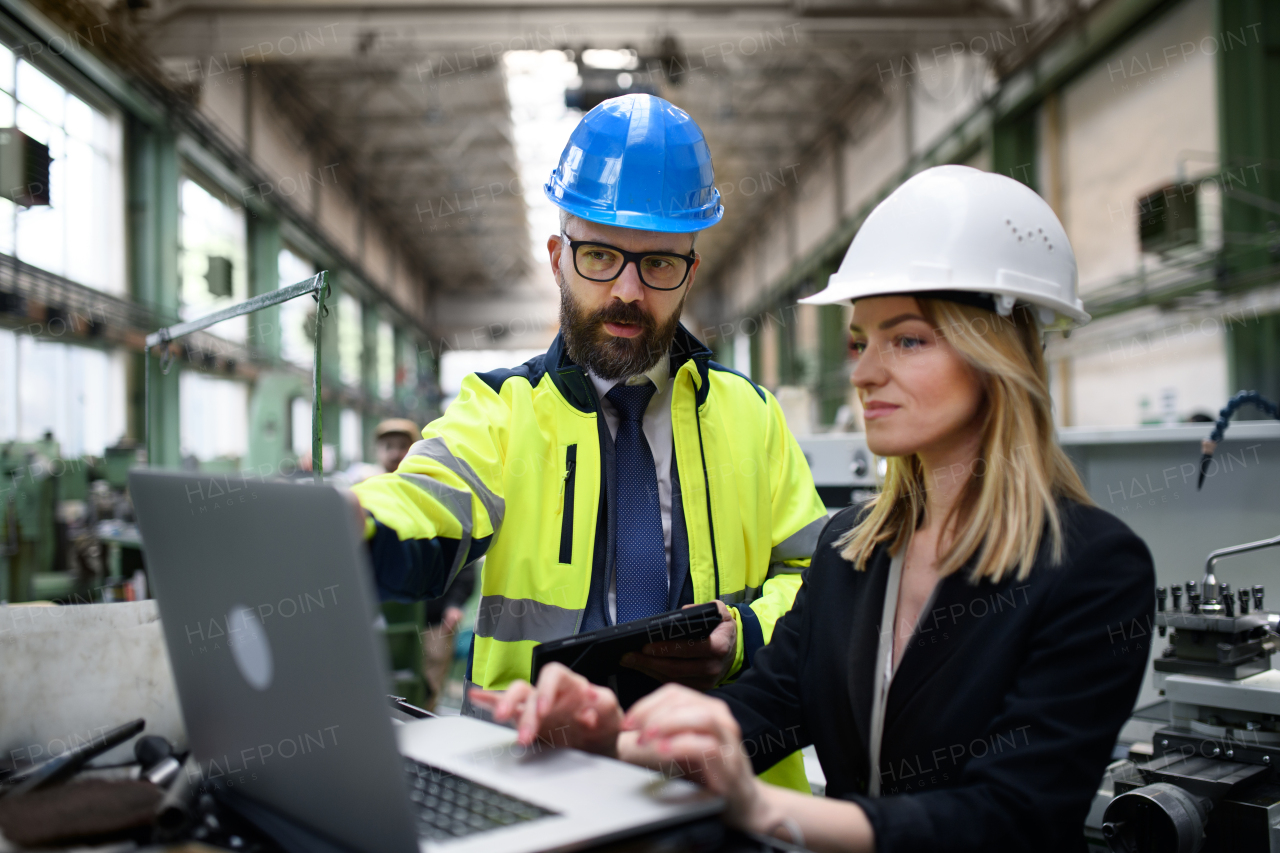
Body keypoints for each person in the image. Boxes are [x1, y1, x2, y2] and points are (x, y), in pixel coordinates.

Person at [474, 166, 1157, 853]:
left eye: (907, 339)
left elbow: (1010, 817)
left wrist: (760, 805)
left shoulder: (1093, 569)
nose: (863, 372)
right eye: (860, 341)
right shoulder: (853, 551)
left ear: (996, 354)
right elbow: (758, 713)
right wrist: (615, 740)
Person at [350, 94, 828, 790]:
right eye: (601, 255)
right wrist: (356, 519)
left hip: (720, 791)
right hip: (537, 780)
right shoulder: (503, 410)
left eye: (660, 263)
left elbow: (820, 585)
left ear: (690, 271)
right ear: (557, 257)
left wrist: (746, 635)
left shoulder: (753, 418)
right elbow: (423, 501)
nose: (628, 291)